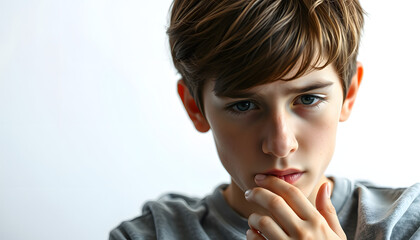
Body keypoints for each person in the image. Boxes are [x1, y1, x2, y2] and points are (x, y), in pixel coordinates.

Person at [110, 0, 420, 239]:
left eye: (308, 99)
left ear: (348, 94)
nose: (280, 144)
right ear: (195, 107)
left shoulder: (406, 224)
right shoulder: (151, 235)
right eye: (244, 105)